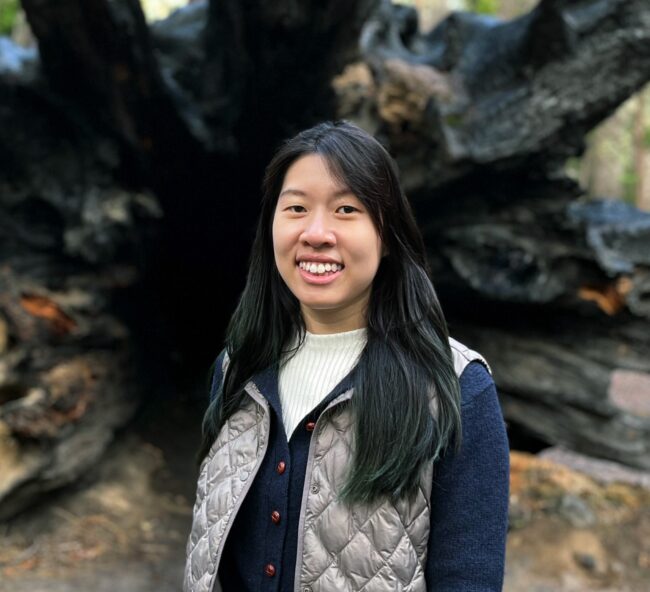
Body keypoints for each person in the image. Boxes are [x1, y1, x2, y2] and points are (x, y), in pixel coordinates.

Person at [184, 121, 509, 592]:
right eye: (296, 207)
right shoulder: (239, 368)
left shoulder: (456, 389)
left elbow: (469, 579)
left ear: (387, 235)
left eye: (346, 209)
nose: (316, 233)